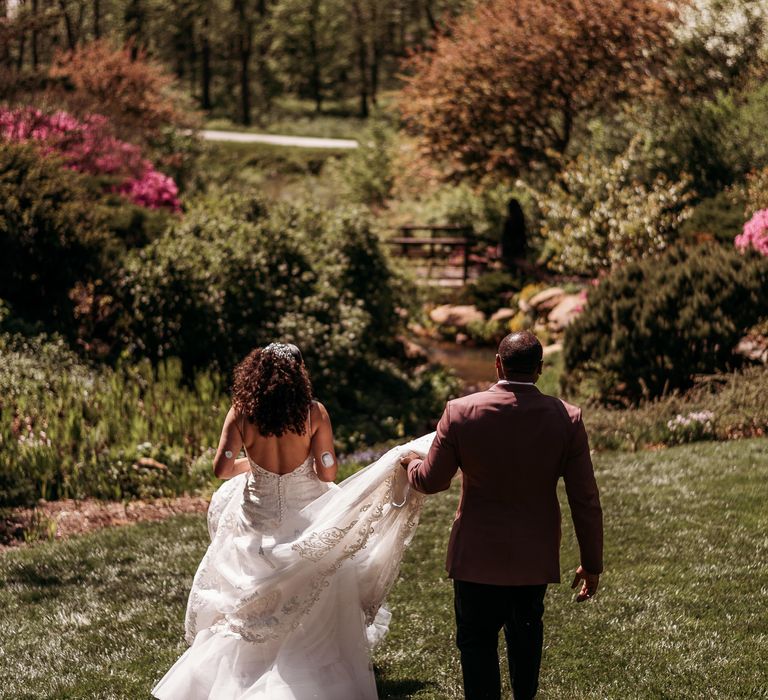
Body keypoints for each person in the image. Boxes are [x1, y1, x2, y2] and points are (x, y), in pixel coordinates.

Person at [153, 342, 430, 700]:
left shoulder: (241, 413)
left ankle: (238, 676)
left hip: (256, 517)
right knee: (316, 586)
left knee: (251, 598)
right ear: (298, 376)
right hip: (307, 515)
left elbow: (222, 469)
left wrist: (253, 464)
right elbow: (327, 468)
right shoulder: (313, 413)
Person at [400, 330, 603, 700]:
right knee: (525, 642)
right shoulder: (567, 419)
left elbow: (430, 481)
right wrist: (592, 562)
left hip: (476, 558)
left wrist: (410, 464)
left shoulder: (459, 412)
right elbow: (585, 499)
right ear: (540, 369)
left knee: (477, 649)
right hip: (533, 558)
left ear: (497, 363)